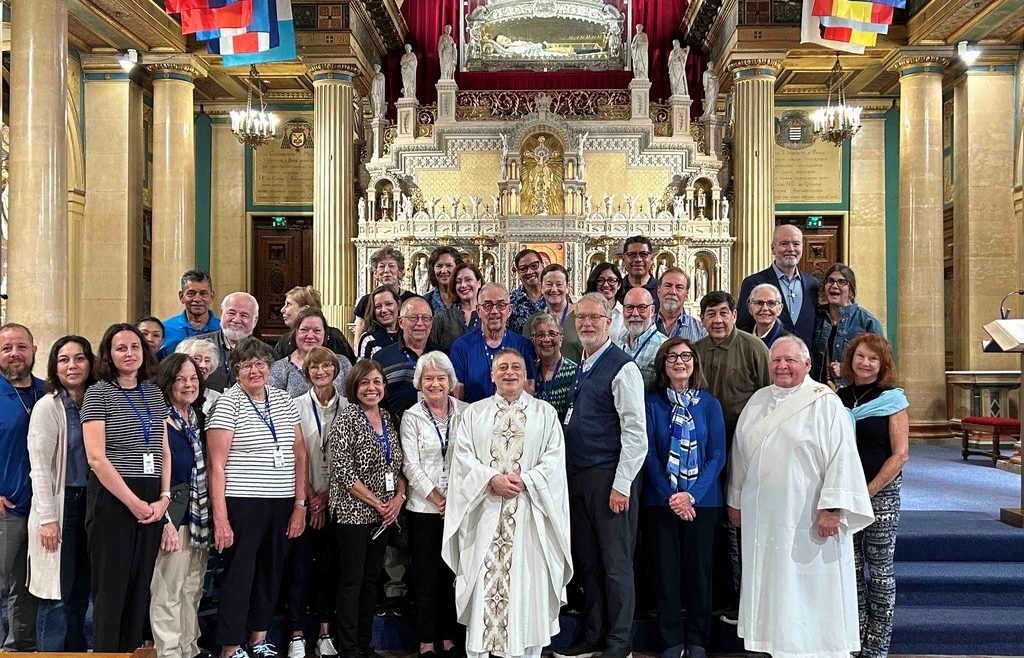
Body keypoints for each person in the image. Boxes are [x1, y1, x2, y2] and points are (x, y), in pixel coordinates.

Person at [728, 336, 874, 658]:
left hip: (808, 516)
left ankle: (815, 648)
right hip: (763, 516)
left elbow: (842, 458)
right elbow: (740, 453)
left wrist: (832, 509)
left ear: (807, 365)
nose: (782, 366)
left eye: (790, 360)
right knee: (772, 579)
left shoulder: (825, 402)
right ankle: (771, 643)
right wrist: (735, 499)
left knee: (809, 584)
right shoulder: (758, 401)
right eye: (776, 361)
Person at [442, 348, 572, 658]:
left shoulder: (545, 413)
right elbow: (462, 459)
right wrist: (490, 478)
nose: (509, 372)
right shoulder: (473, 414)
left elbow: (554, 460)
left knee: (527, 588)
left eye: (516, 367)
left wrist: (526, 480)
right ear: (492, 375)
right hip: (485, 513)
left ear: (527, 374)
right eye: (502, 367)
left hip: (530, 515)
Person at [555, 293, 646, 658]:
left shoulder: (622, 367)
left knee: (615, 564)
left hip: (609, 479)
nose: (587, 324)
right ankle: (593, 634)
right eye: (581, 319)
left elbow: (636, 434)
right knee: (589, 563)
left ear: (610, 322)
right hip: (580, 478)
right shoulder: (584, 363)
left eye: (595, 317)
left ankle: (618, 641)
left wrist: (621, 485)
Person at [207, 337, 308, 658]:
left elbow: (300, 454)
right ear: (236, 371)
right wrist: (221, 519)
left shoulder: (283, 399)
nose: (255, 370)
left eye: (260, 364)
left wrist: (299, 505)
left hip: (281, 501)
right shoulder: (227, 403)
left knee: (271, 572)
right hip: (242, 503)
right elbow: (216, 465)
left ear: (270, 367)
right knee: (240, 575)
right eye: (246, 365)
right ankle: (231, 645)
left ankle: (259, 638)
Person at [82, 323, 170, 651]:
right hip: (113, 497)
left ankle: (132, 652)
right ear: (109, 354)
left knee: (139, 585)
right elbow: (96, 457)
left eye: (134, 347)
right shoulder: (98, 392)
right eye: (121, 348)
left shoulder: (154, 391)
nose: (129, 353)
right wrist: (133, 503)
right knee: (111, 588)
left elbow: (163, 449)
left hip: (150, 497)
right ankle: (106, 653)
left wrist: (163, 498)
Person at [642, 338, 725, 658]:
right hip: (660, 502)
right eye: (672, 357)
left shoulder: (710, 405)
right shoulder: (652, 403)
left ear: (695, 363)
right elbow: (647, 454)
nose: (680, 362)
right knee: (666, 574)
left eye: (686, 356)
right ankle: (672, 641)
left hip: (702, 503)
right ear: (663, 364)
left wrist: (691, 495)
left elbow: (717, 455)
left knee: (699, 575)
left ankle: (699, 641)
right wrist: (672, 495)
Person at [693, 291, 769, 623]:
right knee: (712, 526)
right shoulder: (695, 352)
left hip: (747, 454)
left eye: (724, 313)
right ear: (702, 319)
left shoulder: (754, 349)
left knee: (744, 526)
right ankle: (717, 596)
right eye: (711, 314)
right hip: (705, 455)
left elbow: (771, 397)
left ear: (735, 316)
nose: (718, 320)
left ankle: (749, 600)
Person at [836, 334, 909, 658]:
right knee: (849, 571)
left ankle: (877, 647)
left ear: (882, 366)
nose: (865, 363)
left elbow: (900, 455)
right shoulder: (839, 397)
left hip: (881, 493)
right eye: (861, 356)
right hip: (845, 493)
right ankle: (855, 640)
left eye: (873, 359)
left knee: (879, 572)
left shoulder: (892, 399)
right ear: (851, 359)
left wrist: (868, 491)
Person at [328, 359, 407, 658]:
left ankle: (365, 643)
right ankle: (348, 647)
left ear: (384, 387)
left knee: (372, 580)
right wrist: (379, 503)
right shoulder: (347, 419)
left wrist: (398, 498)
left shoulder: (387, 417)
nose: (371, 388)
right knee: (352, 581)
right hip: (352, 514)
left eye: (376, 382)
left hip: (383, 516)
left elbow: (398, 465)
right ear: (354, 387)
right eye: (365, 383)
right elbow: (345, 473)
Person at [26, 335, 95, 651]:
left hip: (91, 505)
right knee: (56, 595)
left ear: (90, 362)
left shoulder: (96, 399)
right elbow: (39, 467)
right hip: (59, 505)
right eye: (64, 359)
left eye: (79, 358)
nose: (72, 365)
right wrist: (48, 519)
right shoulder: (47, 406)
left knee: (82, 592)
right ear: (54, 365)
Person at [400, 352, 467, 658]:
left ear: (451, 382)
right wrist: (438, 498)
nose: (435, 384)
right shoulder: (411, 416)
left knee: (453, 575)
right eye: (428, 378)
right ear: (419, 382)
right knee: (426, 577)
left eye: (441, 378)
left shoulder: (466, 413)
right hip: (424, 510)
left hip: (460, 508)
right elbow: (410, 467)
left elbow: (471, 460)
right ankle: (427, 641)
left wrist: (455, 498)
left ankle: (450, 637)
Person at [287, 347, 348, 658]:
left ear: (335, 370)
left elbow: (349, 458)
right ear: (306, 372)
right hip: (303, 497)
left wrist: (326, 498)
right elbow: (294, 455)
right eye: (314, 367)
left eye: (326, 366)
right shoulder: (294, 406)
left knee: (329, 569)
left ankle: (325, 632)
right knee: (299, 568)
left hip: (338, 500)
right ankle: (296, 634)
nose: (321, 371)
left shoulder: (349, 407)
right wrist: (310, 496)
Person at [149, 353, 211, 658]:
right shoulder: (160, 418)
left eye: (193, 378)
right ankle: (169, 652)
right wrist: (165, 523)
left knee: (192, 589)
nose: (188, 385)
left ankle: (190, 648)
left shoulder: (195, 417)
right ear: (168, 381)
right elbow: (154, 475)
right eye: (180, 379)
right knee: (168, 593)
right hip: (172, 516)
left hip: (197, 517)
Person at [0, 323, 44, 651]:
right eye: (6, 348)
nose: (15, 353)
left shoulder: (48, 392)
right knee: (5, 584)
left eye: (21, 347)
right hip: (8, 507)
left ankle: (21, 647)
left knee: (29, 585)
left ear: (34, 350)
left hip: (44, 509)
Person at [451, 283, 536, 403]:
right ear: (478, 310)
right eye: (488, 305)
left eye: (501, 305)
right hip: (475, 417)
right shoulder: (461, 347)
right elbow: (457, 399)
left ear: (509, 310)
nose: (494, 311)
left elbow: (529, 394)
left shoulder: (523, 346)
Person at [736, 224, 819, 346]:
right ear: (773, 249)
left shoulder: (813, 284)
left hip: (805, 360)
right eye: (784, 244)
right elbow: (743, 327)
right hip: (768, 359)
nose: (791, 249)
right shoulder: (753, 283)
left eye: (796, 244)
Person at [813, 264, 884, 387]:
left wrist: (847, 369)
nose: (834, 286)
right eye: (830, 281)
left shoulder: (867, 322)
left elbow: (880, 362)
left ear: (851, 289)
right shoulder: (816, 317)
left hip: (852, 392)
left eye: (842, 282)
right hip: (818, 391)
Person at [373, 297, 437, 418]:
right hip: (395, 430)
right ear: (401, 322)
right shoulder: (381, 358)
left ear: (431, 322)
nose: (420, 323)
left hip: (435, 431)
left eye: (425, 318)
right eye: (413, 318)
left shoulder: (442, 354)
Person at [270, 308, 352, 398]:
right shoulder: (280, 368)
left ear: (325, 334)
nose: (310, 336)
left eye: (317, 330)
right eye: (304, 330)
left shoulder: (342, 363)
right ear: (295, 333)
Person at [274, 285, 357, 366]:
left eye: (288, 304)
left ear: (305, 309)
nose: (282, 310)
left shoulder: (334, 337)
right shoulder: (285, 340)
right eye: (303, 330)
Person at [195, 292, 260, 393]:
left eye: (244, 315)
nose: (236, 319)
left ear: (255, 321)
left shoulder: (266, 354)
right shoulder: (196, 346)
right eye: (231, 313)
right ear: (221, 314)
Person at [353, 248, 417, 349]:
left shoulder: (413, 300)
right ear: (375, 273)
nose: (386, 270)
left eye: (391, 266)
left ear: (400, 271)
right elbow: (358, 338)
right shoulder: (366, 301)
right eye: (381, 266)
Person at [530, 312, 579, 422]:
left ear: (561, 339)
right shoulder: (529, 373)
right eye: (540, 335)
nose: (546, 339)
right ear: (533, 340)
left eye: (552, 334)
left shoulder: (574, 372)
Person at [160, 270, 220, 358]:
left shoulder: (223, 329)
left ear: (211, 296)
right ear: (181, 296)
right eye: (191, 293)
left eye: (203, 294)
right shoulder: (164, 329)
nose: (197, 299)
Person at [616, 288, 666, 389]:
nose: (635, 313)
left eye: (641, 307)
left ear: (652, 311)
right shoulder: (619, 343)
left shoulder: (664, 346)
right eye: (629, 307)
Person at [431, 262, 482, 352]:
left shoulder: (489, 315)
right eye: (458, 282)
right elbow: (433, 350)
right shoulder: (442, 317)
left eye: (468, 280)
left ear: (479, 283)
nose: (463, 285)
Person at [522, 263, 574, 339]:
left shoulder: (581, 317)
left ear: (567, 288)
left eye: (559, 284)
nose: (554, 289)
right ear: (541, 288)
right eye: (549, 284)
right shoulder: (532, 321)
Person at [655, 268, 707, 341]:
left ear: (686, 295)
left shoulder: (701, 331)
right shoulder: (644, 327)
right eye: (668, 286)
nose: (673, 292)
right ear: (658, 291)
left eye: (679, 287)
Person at [176, 337, 222, 418]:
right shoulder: (174, 394)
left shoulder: (217, 398)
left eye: (207, 360)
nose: (203, 365)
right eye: (197, 359)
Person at [357, 285, 403, 359]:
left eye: (388, 304)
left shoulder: (408, 334)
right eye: (378, 306)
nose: (384, 310)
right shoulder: (368, 338)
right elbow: (363, 369)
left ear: (398, 304)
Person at [508, 249, 547, 335]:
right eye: (523, 268)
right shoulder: (510, 300)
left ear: (542, 265)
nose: (530, 272)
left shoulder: (554, 296)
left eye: (534, 266)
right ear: (518, 272)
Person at [620, 237, 660, 312]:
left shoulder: (662, 290)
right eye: (632, 254)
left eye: (643, 254)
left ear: (651, 259)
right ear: (623, 260)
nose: (638, 259)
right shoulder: (616, 290)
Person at [746, 283, 790, 348]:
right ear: (750, 308)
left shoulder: (789, 342)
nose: (765, 308)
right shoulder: (741, 337)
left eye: (771, 303)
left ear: (780, 309)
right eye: (759, 303)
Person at [423, 246, 463, 314]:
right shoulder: (426, 300)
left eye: (449, 265)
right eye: (439, 266)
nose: (444, 271)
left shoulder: (465, 297)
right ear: (433, 269)